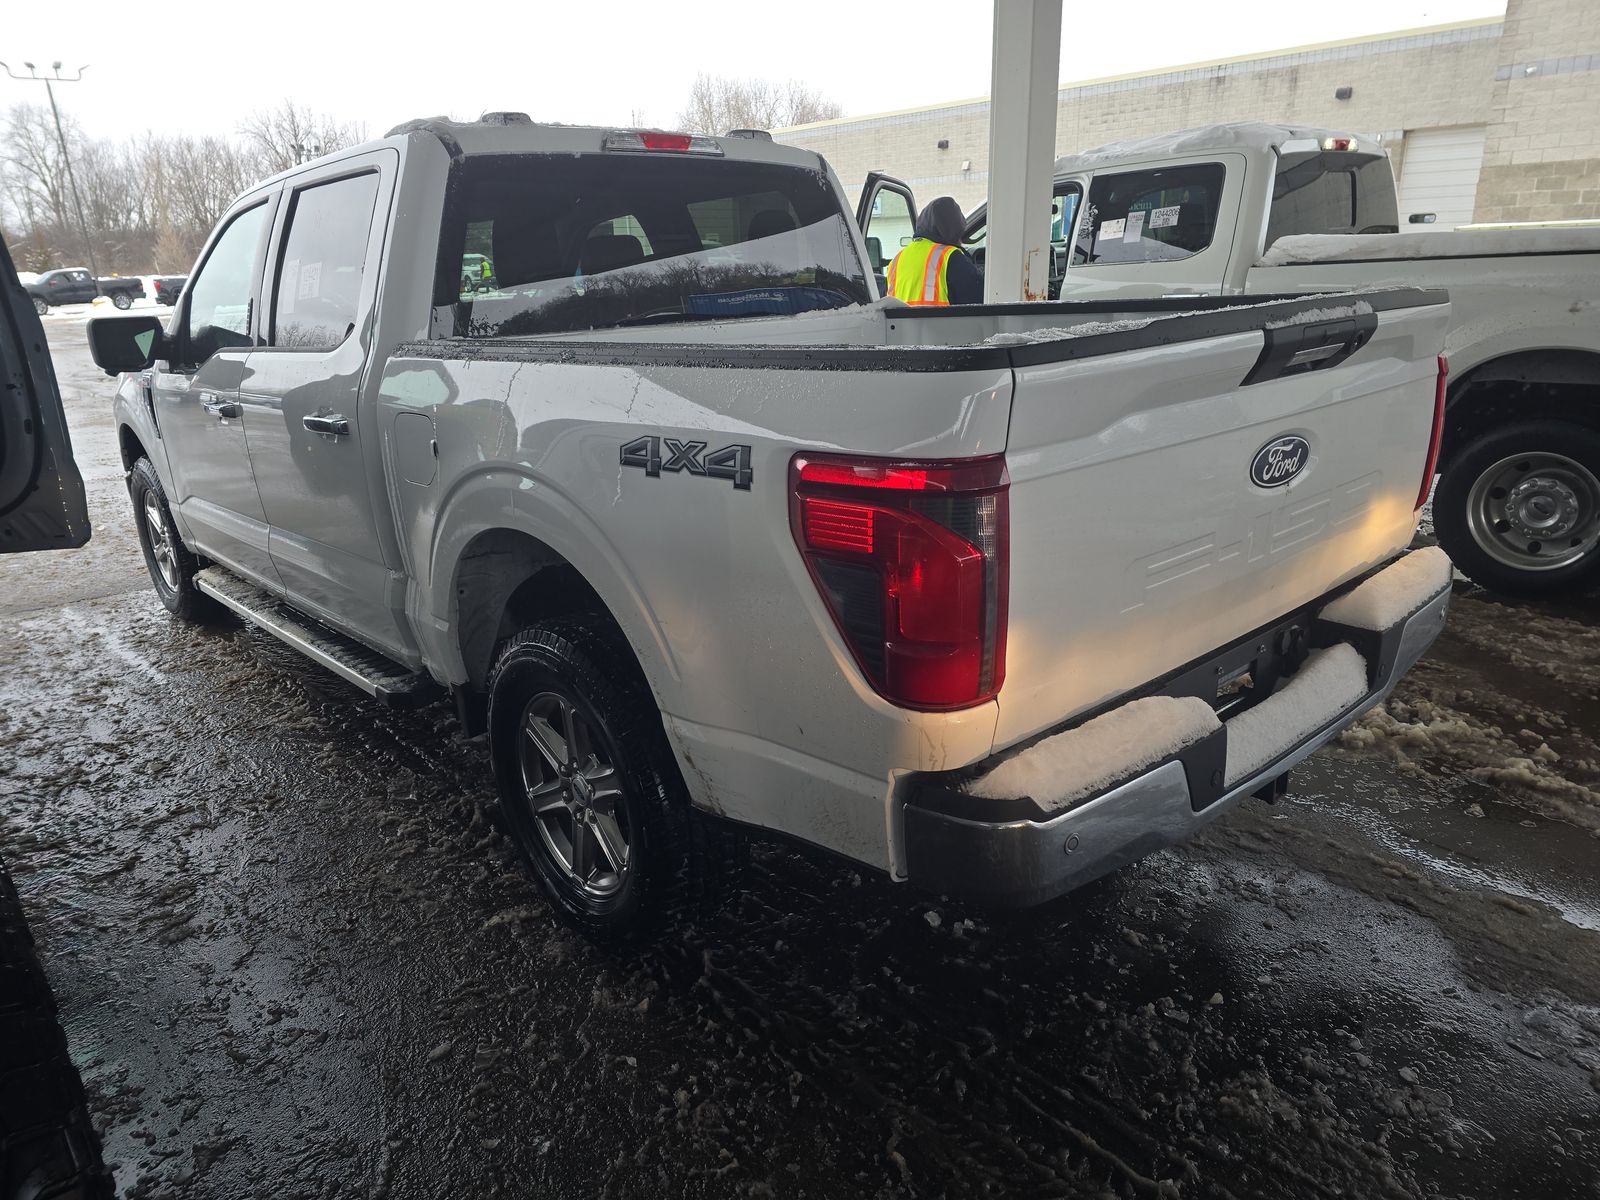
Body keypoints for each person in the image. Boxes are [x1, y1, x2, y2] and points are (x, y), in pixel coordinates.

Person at [885, 196, 983, 305]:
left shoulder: (897, 259)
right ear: (953, 231)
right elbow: (981, 299)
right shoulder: (950, 257)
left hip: (901, 317)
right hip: (940, 317)